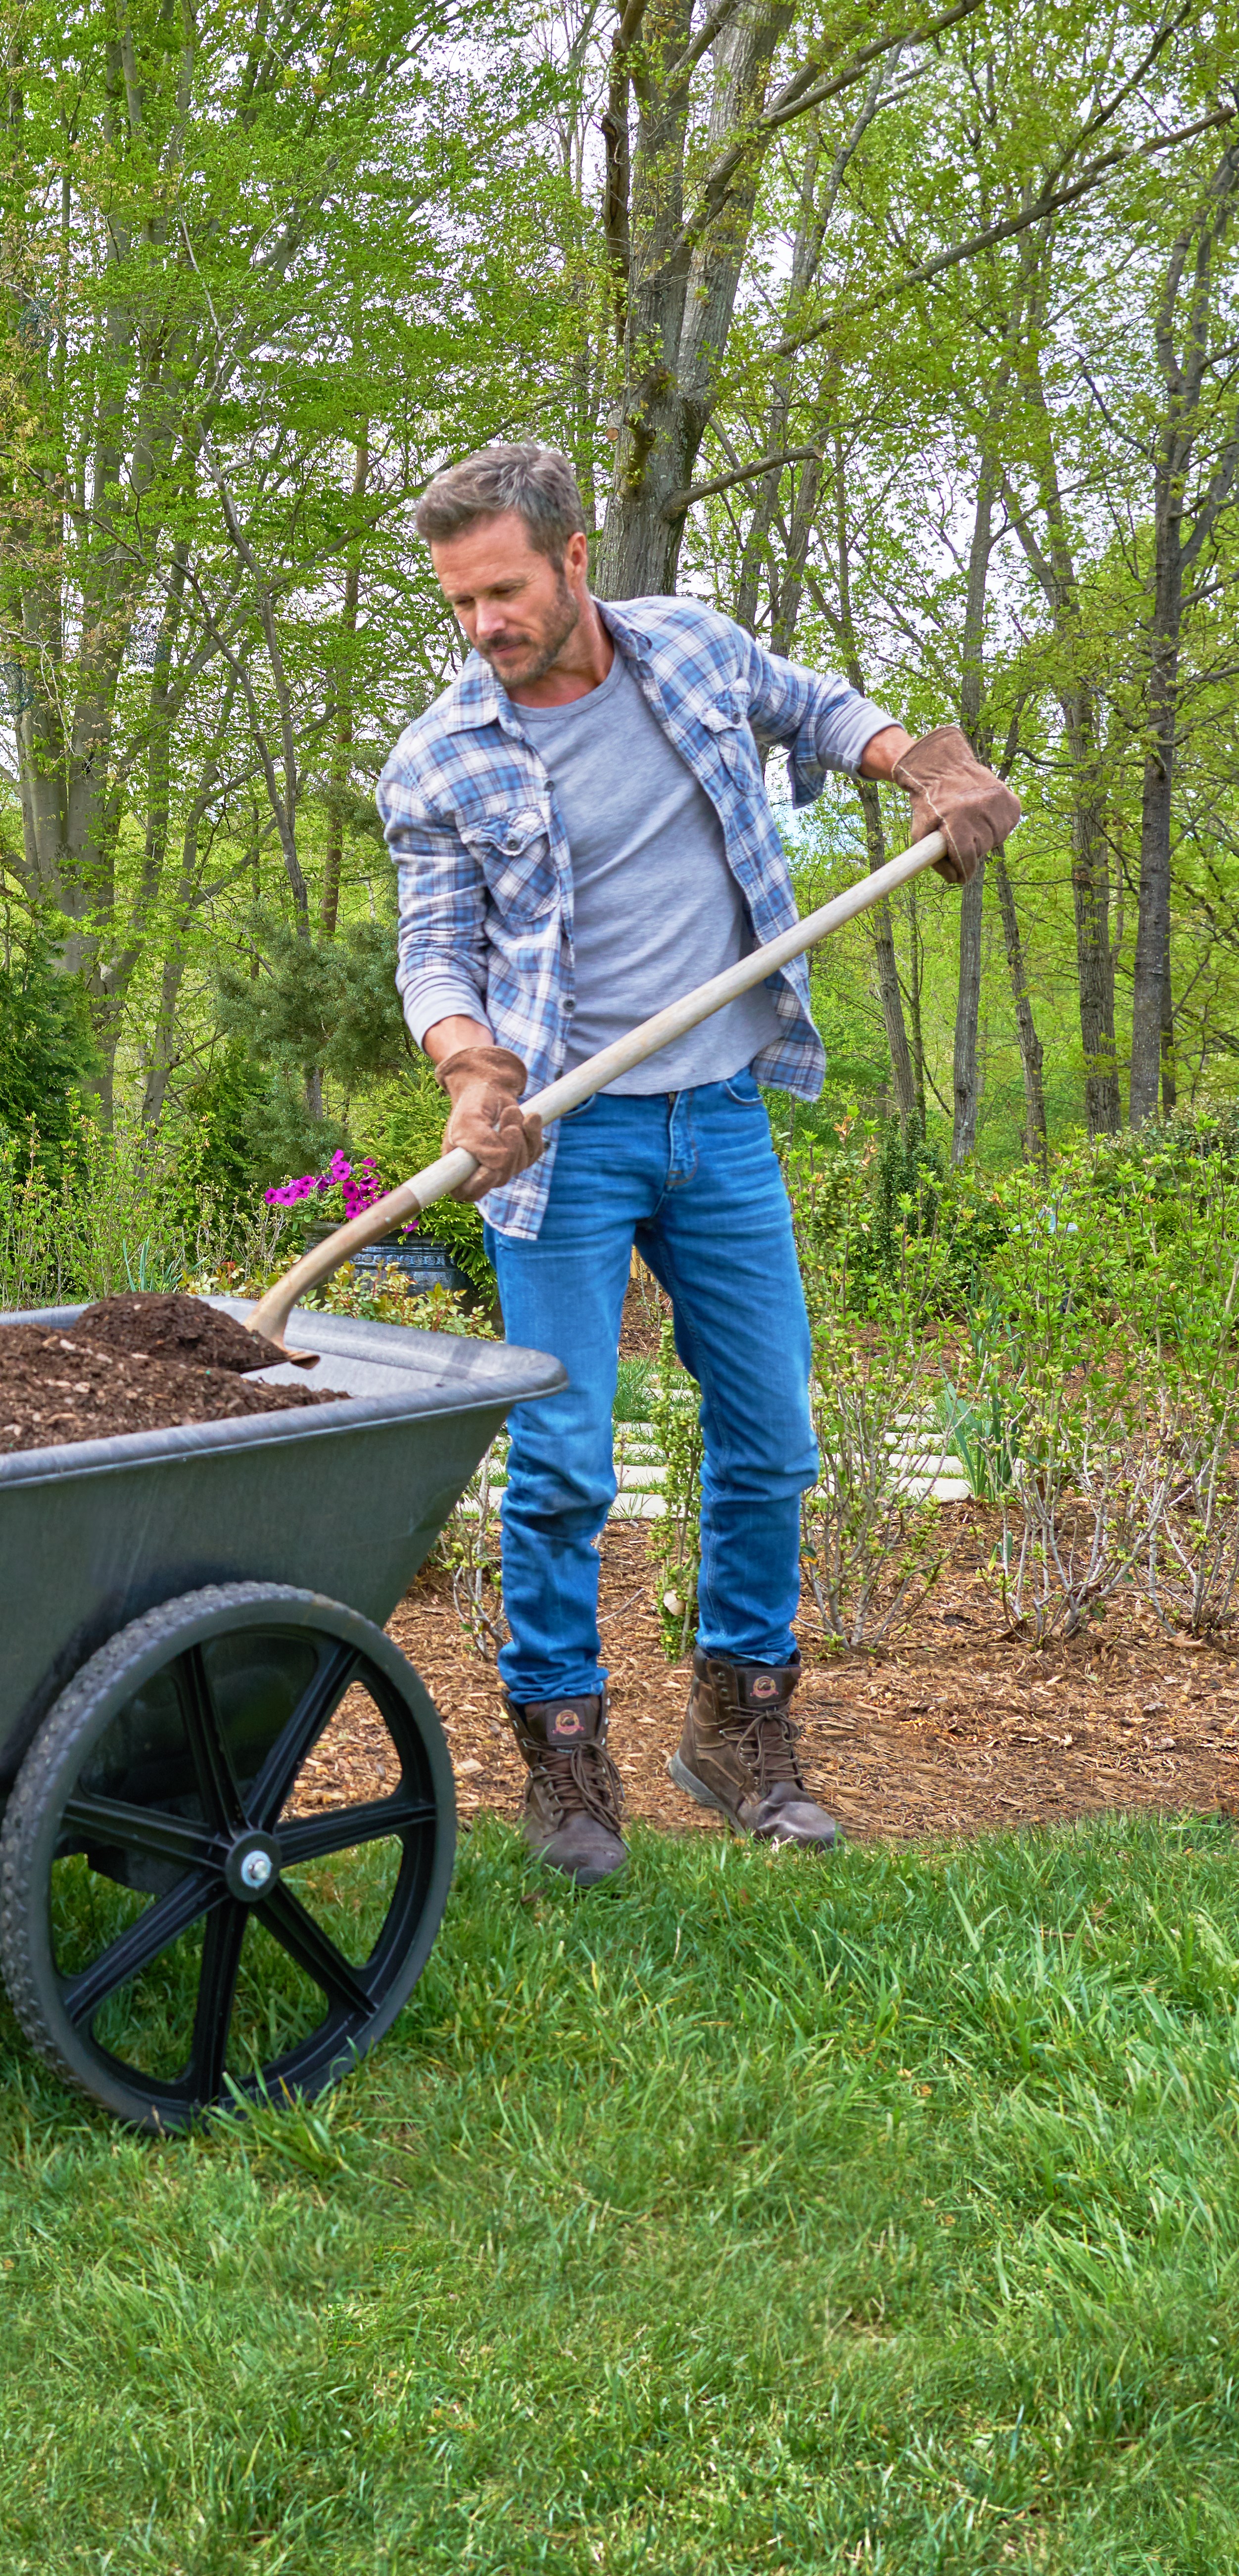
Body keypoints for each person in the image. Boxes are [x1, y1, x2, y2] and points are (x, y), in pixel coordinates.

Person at [377, 440, 1017, 1883]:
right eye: (459, 601)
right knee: (557, 1464)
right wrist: (472, 1067)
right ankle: (564, 1755)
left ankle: (738, 1729)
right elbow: (435, 952)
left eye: (503, 591)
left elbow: (818, 709)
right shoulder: (441, 756)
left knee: (774, 1436)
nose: (483, 624)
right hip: (565, 1138)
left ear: (572, 555)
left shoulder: (691, 655)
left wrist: (922, 761)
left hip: (719, 1110)